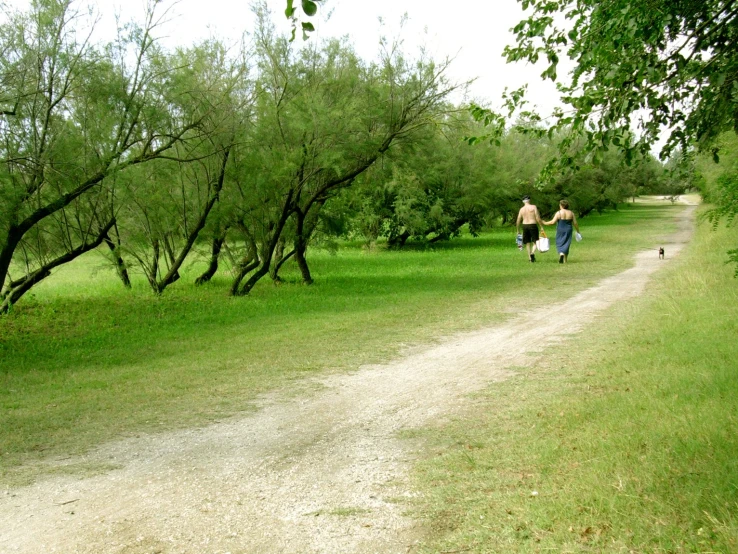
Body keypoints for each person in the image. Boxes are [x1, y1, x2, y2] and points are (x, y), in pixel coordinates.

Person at [543, 199, 580, 263]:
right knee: (567, 243)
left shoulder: (559, 212)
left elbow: (552, 222)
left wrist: (544, 223)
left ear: (561, 205)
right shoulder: (571, 213)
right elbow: (575, 223)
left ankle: (561, 254)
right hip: (568, 229)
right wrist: (578, 231)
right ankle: (565, 260)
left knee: (559, 241)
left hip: (560, 229)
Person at [516, 195, 544, 262]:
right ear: (529, 200)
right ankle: (532, 253)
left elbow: (518, 220)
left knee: (527, 242)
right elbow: (537, 218)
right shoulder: (533, 207)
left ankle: (529, 258)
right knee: (535, 241)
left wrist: (518, 230)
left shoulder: (521, 209)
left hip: (525, 225)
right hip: (532, 224)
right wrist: (541, 226)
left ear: (523, 201)